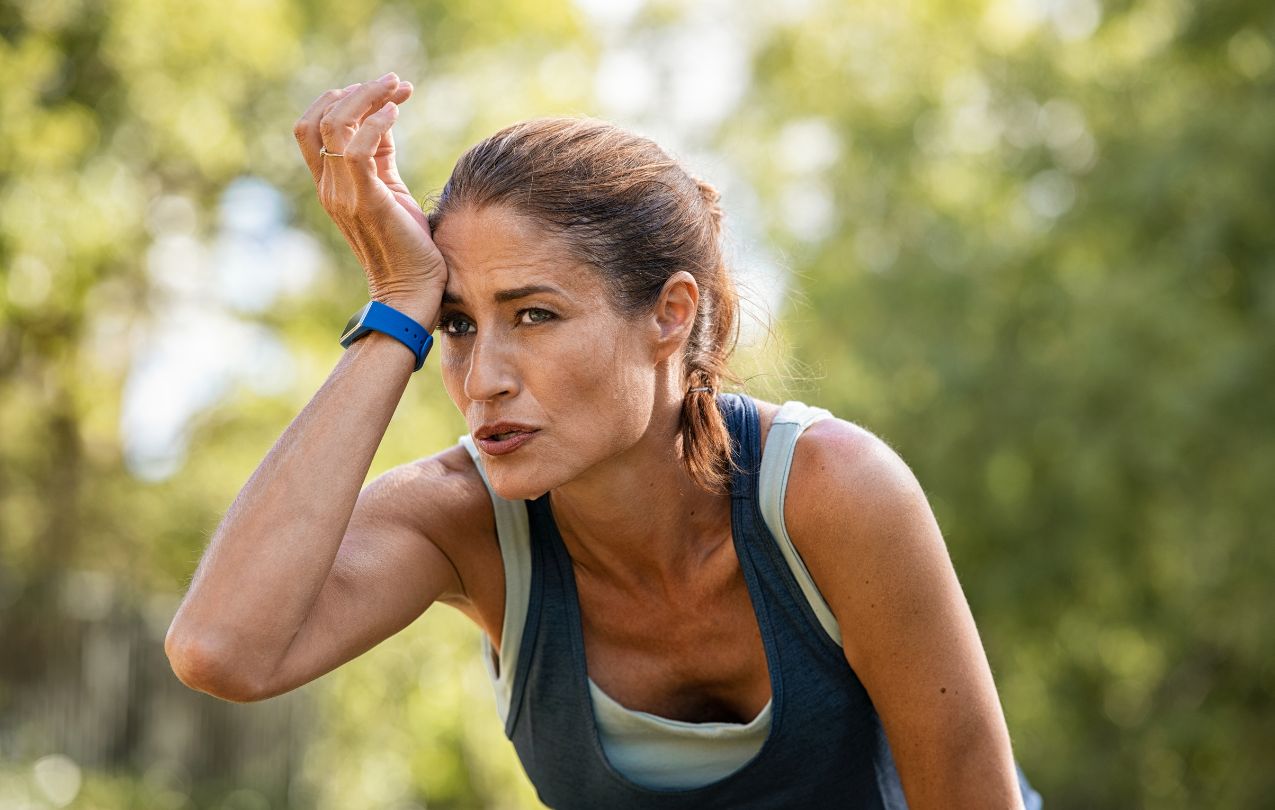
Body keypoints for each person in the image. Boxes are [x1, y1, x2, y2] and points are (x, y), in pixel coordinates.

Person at [165, 73, 1044, 809]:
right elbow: (221, 650)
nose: (483, 378)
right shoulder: (463, 523)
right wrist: (398, 305)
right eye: (459, 324)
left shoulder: (830, 493)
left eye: (534, 315)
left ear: (669, 314)